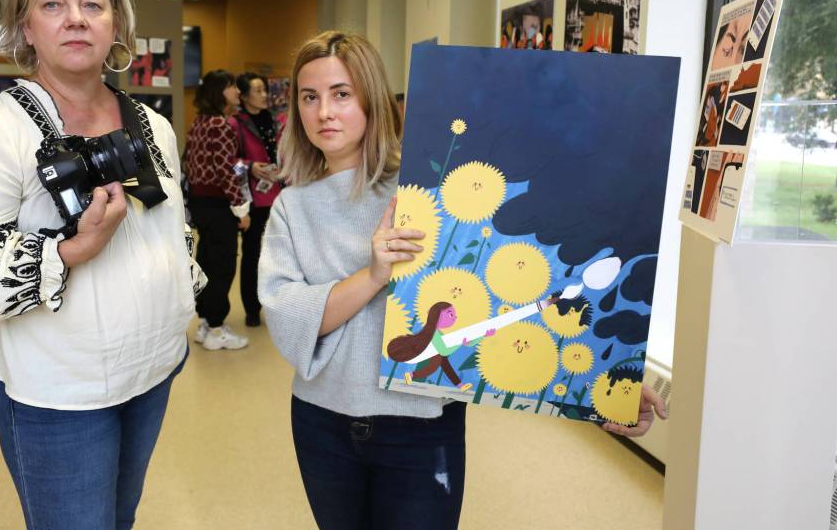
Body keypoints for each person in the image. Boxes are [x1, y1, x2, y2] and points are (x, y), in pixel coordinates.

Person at [259, 31, 667, 530]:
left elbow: (519, 290)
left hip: (419, 427)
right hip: (322, 423)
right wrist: (372, 276)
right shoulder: (292, 207)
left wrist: (607, 383)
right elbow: (286, 316)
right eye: (310, 96)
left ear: (370, 97)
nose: (324, 111)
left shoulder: (430, 189)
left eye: (341, 93)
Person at [0, 0, 196, 530]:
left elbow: (173, 231)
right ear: (25, 26)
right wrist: (74, 250)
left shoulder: (151, 125)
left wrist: (183, 302)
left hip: (152, 367)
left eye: (92, 5)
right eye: (52, 5)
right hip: (58, 392)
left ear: (117, 22)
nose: (75, 19)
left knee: (119, 517)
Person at [186, 69, 251, 350]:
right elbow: (226, 172)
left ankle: (205, 322)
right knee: (223, 266)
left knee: (206, 262)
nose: (237, 91)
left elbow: (190, 163)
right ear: (219, 91)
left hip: (200, 205)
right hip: (219, 206)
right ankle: (215, 328)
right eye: (231, 86)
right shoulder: (222, 125)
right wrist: (241, 209)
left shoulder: (199, 122)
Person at [233, 71, 284, 327]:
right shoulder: (235, 124)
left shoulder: (274, 121)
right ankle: (252, 308)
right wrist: (251, 166)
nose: (264, 95)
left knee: (281, 252)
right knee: (252, 254)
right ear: (243, 96)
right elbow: (228, 164)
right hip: (252, 199)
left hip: (280, 195)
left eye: (265, 90)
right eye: (258, 90)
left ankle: (280, 302)